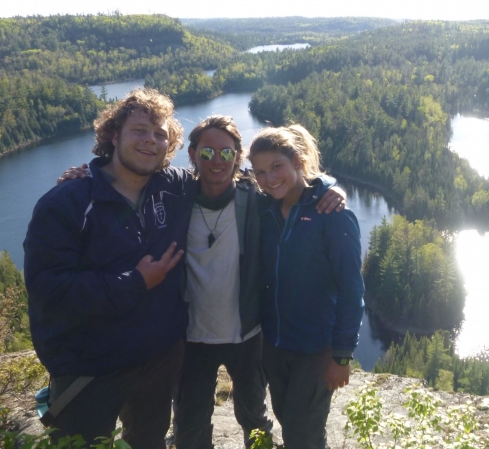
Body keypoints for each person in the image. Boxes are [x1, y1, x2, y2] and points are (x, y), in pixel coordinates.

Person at [56, 114, 347, 448]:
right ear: (192, 155)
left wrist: (330, 187)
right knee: (190, 424)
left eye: (226, 153)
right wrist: (86, 176)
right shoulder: (174, 194)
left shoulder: (256, 197)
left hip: (247, 333)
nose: (217, 161)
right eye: (207, 153)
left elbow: (296, 184)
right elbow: (124, 176)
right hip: (191, 336)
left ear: (238, 157)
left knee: (254, 416)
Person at [24, 88, 192, 447]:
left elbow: (225, 177)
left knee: (148, 442)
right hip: (90, 367)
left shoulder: (173, 187)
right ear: (113, 135)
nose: (151, 141)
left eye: (160, 134)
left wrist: (320, 186)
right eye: (140, 130)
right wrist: (137, 281)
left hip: (157, 360)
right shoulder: (67, 202)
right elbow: (49, 291)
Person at [248, 124, 364, 449]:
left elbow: (352, 289)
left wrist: (342, 356)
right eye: (260, 172)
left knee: (302, 434)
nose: (269, 179)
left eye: (276, 167)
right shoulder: (265, 208)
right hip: (275, 344)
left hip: (316, 348)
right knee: (292, 423)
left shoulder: (333, 215)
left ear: (298, 161)